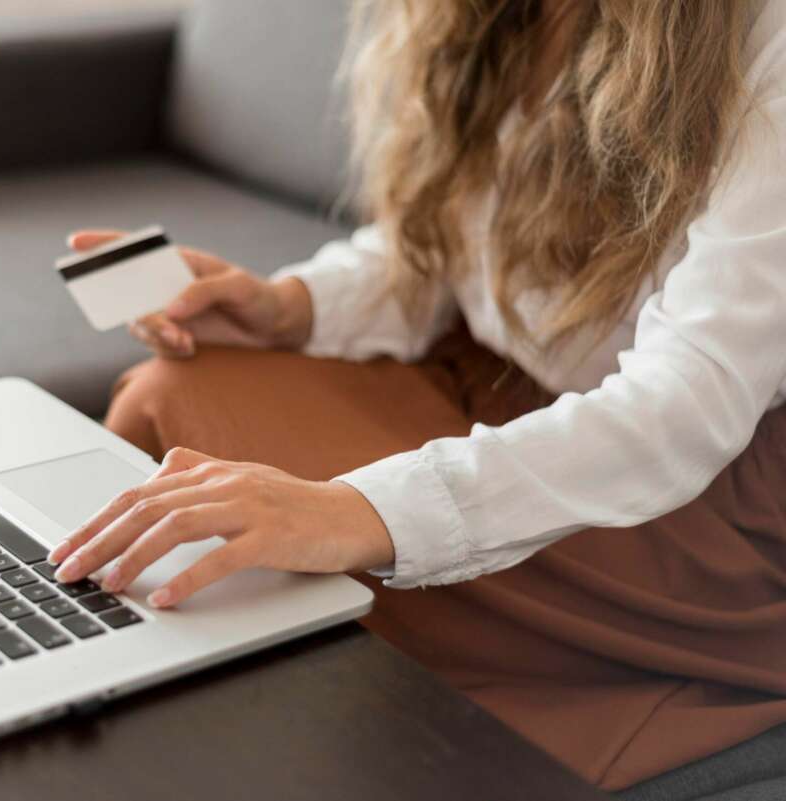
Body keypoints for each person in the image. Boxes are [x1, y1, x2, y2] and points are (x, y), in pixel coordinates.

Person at [51, 0, 786, 790]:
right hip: (485, 389)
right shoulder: (477, 18)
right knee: (182, 394)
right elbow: (438, 251)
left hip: (678, 500)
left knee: (299, 557)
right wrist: (291, 306)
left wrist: (356, 513)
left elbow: (685, 402)